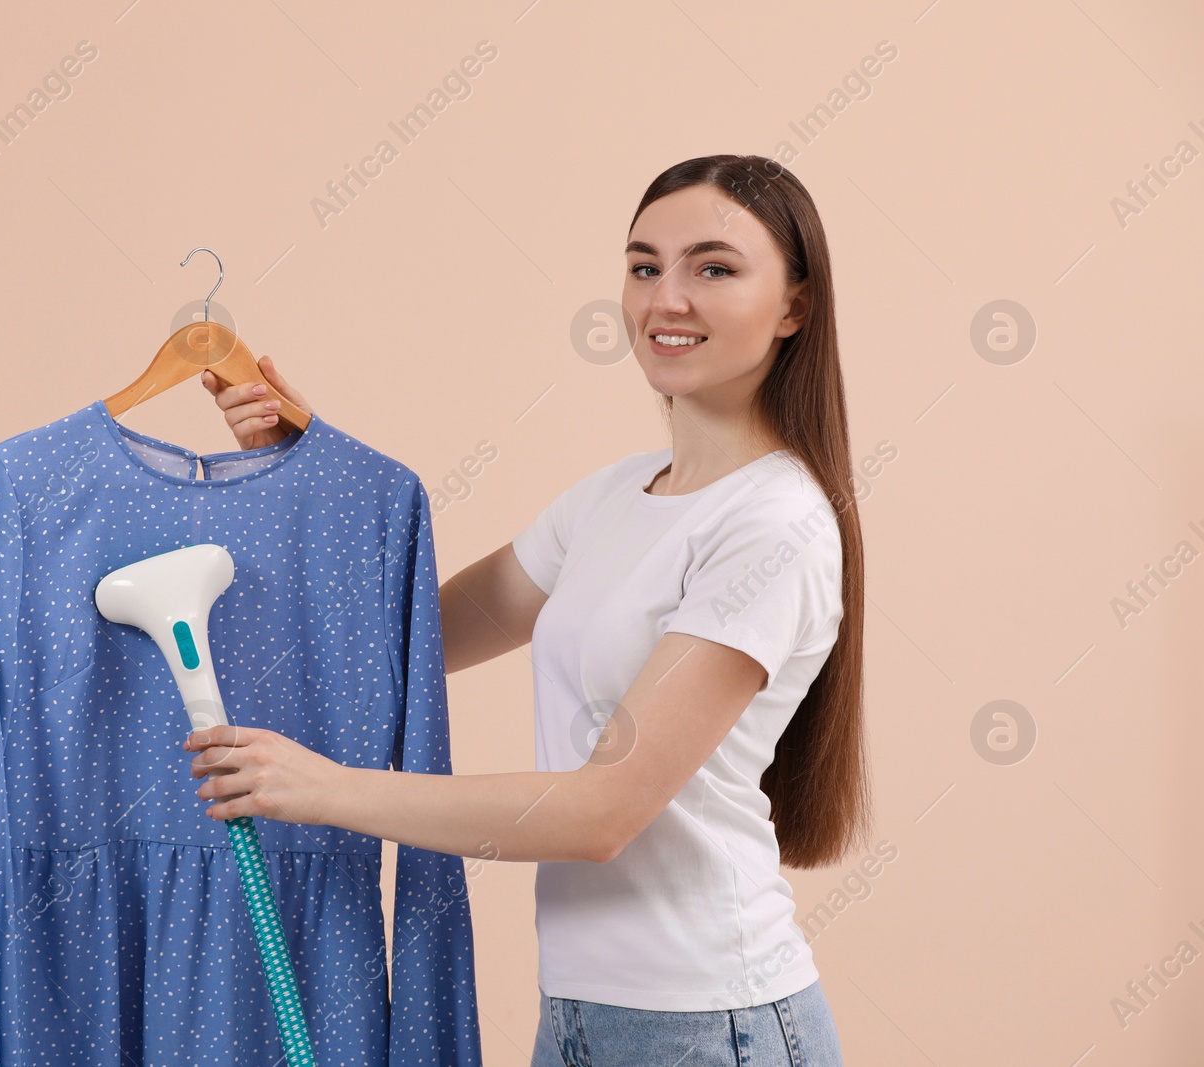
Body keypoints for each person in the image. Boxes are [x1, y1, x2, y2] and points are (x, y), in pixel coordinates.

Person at [183, 154, 869, 1066]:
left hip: (710, 1026)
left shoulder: (774, 527)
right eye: (643, 265)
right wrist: (309, 469)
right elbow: (411, 636)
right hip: (578, 1016)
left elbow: (601, 812)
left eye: (714, 268)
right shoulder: (612, 497)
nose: (667, 299)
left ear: (795, 306)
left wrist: (323, 790)